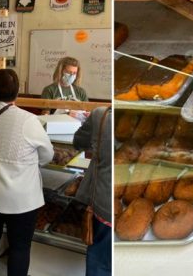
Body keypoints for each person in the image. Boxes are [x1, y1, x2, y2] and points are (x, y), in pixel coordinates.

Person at [0, 69, 54, 276]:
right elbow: (47, 155)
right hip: (20, 199)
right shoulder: (28, 121)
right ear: (18, 91)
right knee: (20, 247)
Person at [73, 106, 111, 276]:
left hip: (104, 204)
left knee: (99, 264)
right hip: (122, 205)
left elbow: (79, 142)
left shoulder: (100, 115)